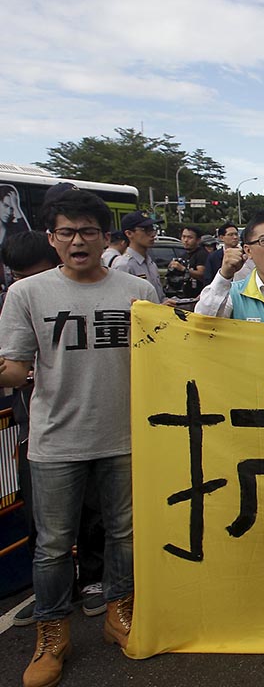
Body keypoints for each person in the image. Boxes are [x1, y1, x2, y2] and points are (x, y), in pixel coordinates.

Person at [0, 189, 159, 687]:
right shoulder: (27, 294)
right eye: (66, 232)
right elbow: (16, 370)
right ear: (52, 238)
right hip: (55, 442)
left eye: (88, 231)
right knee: (51, 547)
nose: (78, 241)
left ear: (104, 237)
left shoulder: (137, 291)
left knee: (126, 536)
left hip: (127, 437)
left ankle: (120, 614)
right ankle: (52, 635)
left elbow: (163, 357)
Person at [1, 231, 109, 629]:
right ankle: (51, 609)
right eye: (16, 275)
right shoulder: (23, 298)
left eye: (34, 273)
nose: (25, 282)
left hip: (106, 429)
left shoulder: (127, 293)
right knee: (48, 530)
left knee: (101, 516)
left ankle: (98, 584)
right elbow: (13, 364)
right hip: (44, 431)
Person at [112, 210, 171, 305]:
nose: (152, 234)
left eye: (152, 229)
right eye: (146, 230)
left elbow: (159, 297)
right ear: (129, 233)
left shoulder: (150, 263)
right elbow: (122, 305)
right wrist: (158, 308)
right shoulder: (124, 265)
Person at [166, 225, 208, 303]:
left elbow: (202, 274)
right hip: (183, 297)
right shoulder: (183, 255)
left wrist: (183, 269)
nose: (185, 240)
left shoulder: (201, 254)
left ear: (198, 240)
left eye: (190, 237)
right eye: (183, 237)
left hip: (197, 298)